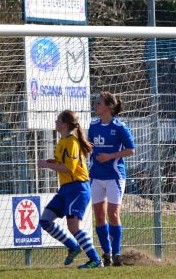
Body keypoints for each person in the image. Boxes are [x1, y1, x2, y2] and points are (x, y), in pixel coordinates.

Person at [37, 110, 103, 268]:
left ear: (65, 124)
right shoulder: (62, 141)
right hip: (66, 189)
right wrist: (53, 161)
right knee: (45, 221)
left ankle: (95, 260)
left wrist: (48, 165)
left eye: (58, 120)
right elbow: (64, 163)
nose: (55, 122)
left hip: (77, 188)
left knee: (73, 226)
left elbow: (70, 169)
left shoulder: (72, 142)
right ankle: (73, 246)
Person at [88, 92, 135, 267]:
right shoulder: (93, 126)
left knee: (113, 214)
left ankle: (116, 254)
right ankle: (106, 254)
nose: (96, 105)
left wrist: (110, 156)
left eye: (99, 103)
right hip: (96, 177)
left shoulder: (120, 127)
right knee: (99, 216)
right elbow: (89, 146)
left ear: (108, 107)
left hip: (115, 176)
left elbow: (131, 150)